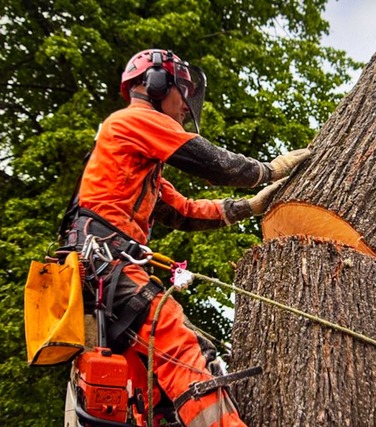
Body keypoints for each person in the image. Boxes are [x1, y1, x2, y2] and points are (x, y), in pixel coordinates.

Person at [58, 48, 310, 426]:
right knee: (178, 346)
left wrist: (249, 207)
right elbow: (211, 160)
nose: (184, 109)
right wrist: (267, 170)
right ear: (155, 84)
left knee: (167, 372)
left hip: (106, 268)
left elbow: (184, 212)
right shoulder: (133, 120)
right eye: (182, 94)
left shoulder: (138, 162)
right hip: (106, 262)